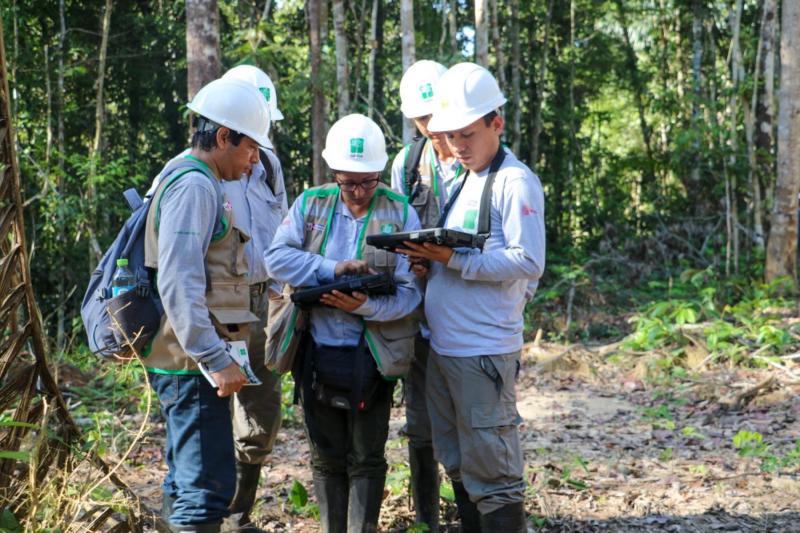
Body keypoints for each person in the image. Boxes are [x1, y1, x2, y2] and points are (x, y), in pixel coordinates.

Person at [398, 62, 545, 533]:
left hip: (482, 351)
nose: (458, 146)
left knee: (495, 473)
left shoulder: (513, 181)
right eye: (450, 136)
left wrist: (453, 259)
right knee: (459, 460)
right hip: (445, 348)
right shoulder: (465, 179)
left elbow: (527, 261)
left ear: (495, 124)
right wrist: (429, 261)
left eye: (467, 134)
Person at [146, 65, 288, 531]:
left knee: (187, 483)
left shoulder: (203, 180)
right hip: (190, 363)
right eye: (249, 148)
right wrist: (214, 357)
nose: (253, 161)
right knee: (205, 493)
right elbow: (179, 280)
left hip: (191, 357)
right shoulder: (194, 185)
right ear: (224, 136)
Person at [265, 113, 422, 533]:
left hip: (374, 352)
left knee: (367, 455)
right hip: (315, 348)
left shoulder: (400, 212)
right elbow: (275, 258)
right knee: (326, 455)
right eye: (347, 182)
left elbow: (411, 292)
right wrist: (331, 269)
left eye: (367, 182)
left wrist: (363, 307)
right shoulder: (311, 203)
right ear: (333, 173)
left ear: (379, 175)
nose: (356, 192)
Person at [389, 59, 459, 532]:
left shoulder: (484, 160)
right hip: (421, 312)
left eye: (437, 116)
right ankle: (428, 520)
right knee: (420, 423)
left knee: (471, 419)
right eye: (422, 119)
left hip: (468, 312)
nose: (432, 128)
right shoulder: (407, 164)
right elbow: (394, 231)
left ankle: (476, 509)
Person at [220, 65, 289, 532]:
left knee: (260, 409)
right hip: (219, 304)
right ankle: (208, 513)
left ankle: (238, 516)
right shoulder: (200, 169)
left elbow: (282, 223)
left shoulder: (268, 164)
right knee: (212, 405)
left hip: (265, 301)